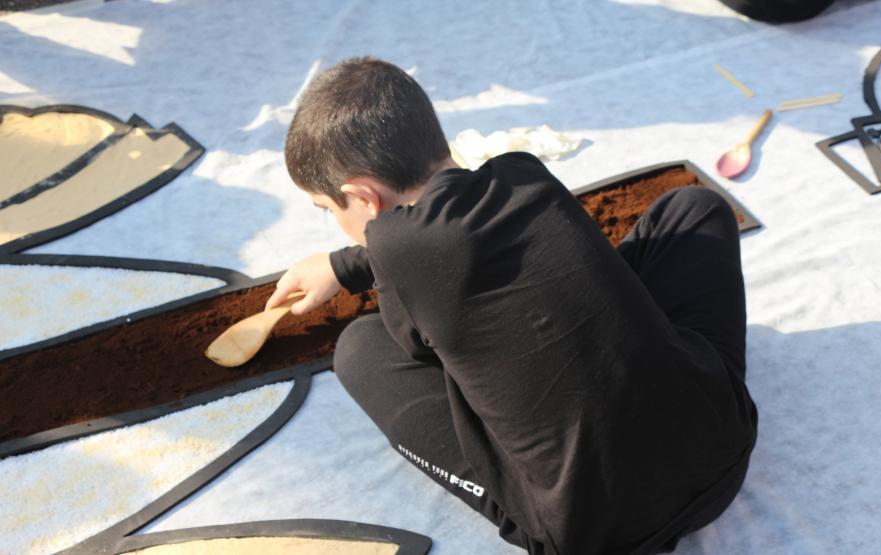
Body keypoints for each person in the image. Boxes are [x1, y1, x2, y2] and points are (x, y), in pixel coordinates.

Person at [267, 57, 757, 555]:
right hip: (723, 451)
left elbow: (420, 350)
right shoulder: (523, 172)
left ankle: (527, 512)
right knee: (692, 209)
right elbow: (451, 231)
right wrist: (342, 265)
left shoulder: (394, 248)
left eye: (328, 210)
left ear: (363, 197)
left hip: (592, 532)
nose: (336, 222)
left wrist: (364, 263)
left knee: (358, 349)